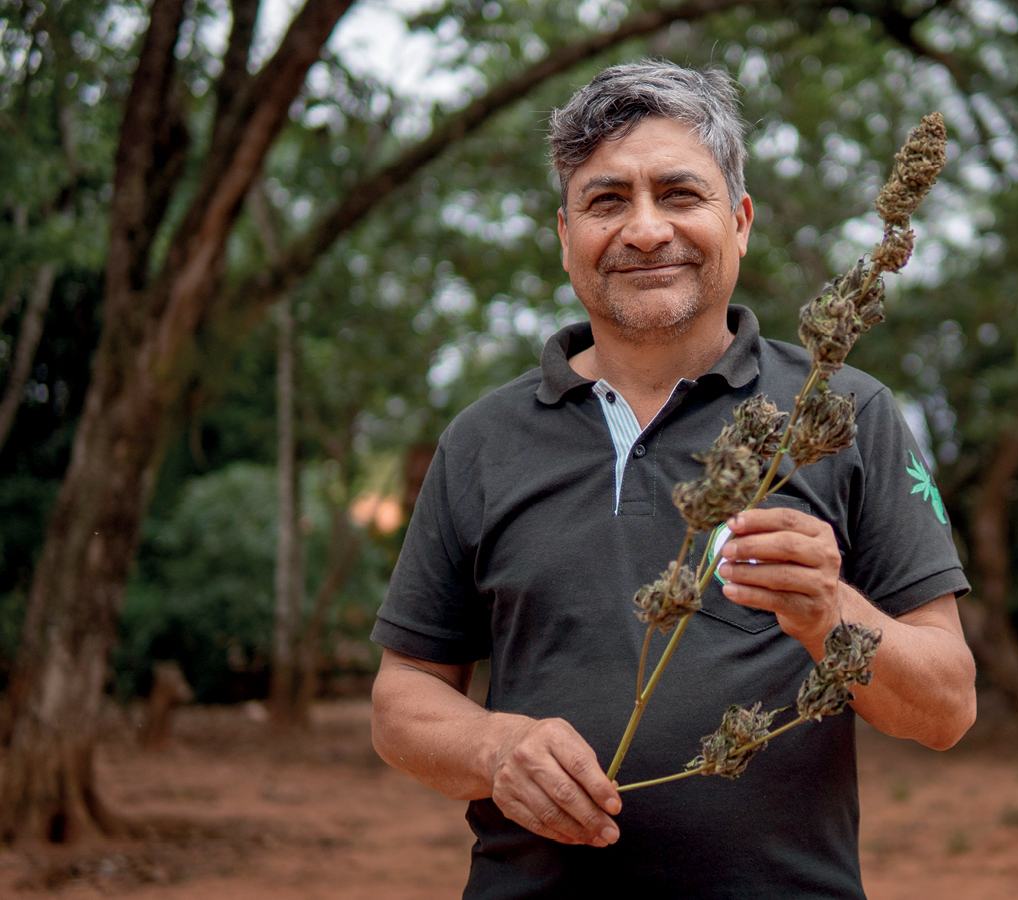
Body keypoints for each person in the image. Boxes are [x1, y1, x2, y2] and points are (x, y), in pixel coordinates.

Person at [369, 60, 976, 899]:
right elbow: (402, 698)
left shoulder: (842, 413)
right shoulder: (481, 440)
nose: (646, 230)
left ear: (740, 222)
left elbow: (947, 707)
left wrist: (828, 613)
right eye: (607, 200)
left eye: (680, 194)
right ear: (565, 235)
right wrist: (494, 748)